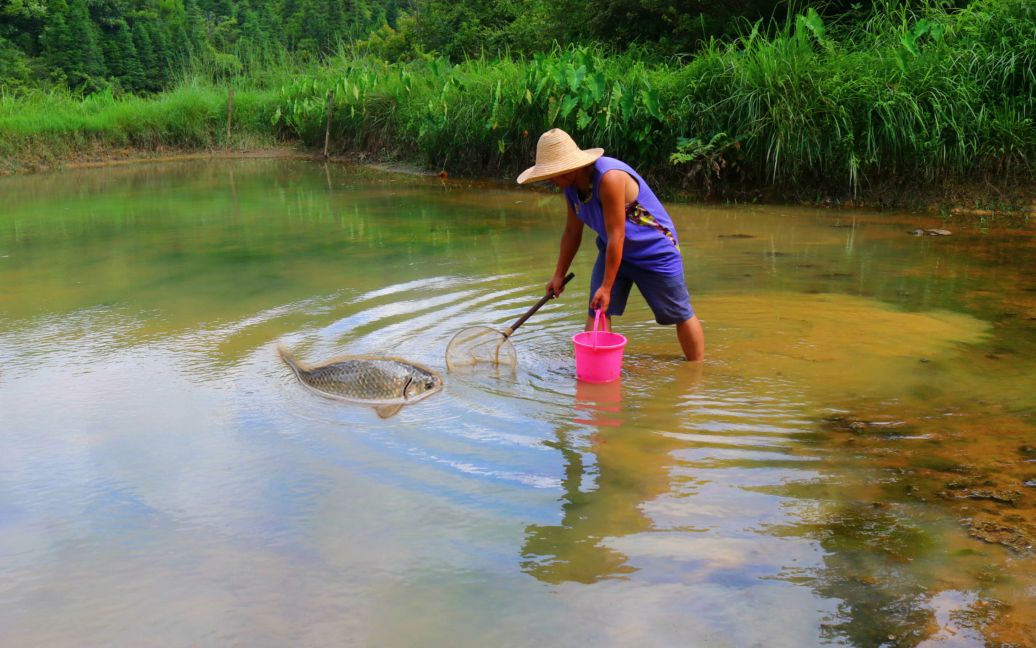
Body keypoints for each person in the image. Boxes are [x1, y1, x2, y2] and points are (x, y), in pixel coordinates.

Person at [517, 128, 704, 361]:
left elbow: (618, 235)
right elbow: (572, 233)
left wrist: (606, 288)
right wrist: (558, 275)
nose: (551, 180)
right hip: (613, 250)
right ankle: (594, 374)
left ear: (570, 168)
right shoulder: (570, 188)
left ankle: (696, 373)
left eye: (554, 173)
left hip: (654, 252)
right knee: (597, 310)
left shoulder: (609, 177)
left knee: (680, 313)